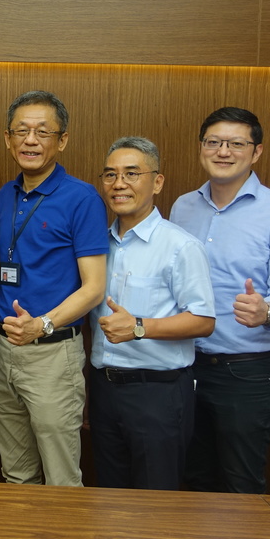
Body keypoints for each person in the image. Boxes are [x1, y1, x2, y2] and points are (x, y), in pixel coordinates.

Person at [170, 107, 270, 494]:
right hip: (184, 365)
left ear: (257, 151)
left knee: (239, 487)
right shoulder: (182, 207)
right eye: (214, 142)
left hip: (246, 374)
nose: (223, 151)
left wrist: (267, 312)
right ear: (201, 148)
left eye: (236, 143)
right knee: (191, 479)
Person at [0, 90, 108, 487]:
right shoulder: (5, 195)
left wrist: (40, 325)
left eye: (43, 132)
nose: (30, 140)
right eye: (21, 131)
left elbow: (93, 288)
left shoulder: (82, 198)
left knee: (60, 478)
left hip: (52, 354)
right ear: (7, 139)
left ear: (63, 140)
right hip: (4, 349)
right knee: (16, 473)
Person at [89, 136, 215, 490]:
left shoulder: (179, 246)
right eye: (110, 175)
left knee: (155, 504)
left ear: (157, 182)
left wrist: (139, 327)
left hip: (157, 394)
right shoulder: (97, 244)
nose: (119, 184)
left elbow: (204, 321)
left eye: (132, 173)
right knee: (108, 500)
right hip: (104, 389)